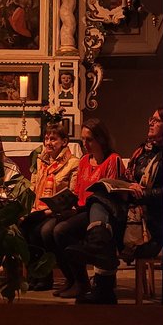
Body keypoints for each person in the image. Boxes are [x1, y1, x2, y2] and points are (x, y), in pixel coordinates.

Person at [66, 108, 163, 304]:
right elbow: (129, 178)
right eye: (151, 119)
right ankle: (96, 280)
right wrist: (127, 185)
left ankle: (102, 281)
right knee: (69, 227)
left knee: (99, 202)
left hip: (149, 225)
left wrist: (142, 193)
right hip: (130, 213)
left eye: (156, 120)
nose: (150, 123)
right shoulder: (143, 151)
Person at [51, 119, 124, 299]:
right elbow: (78, 191)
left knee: (62, 231)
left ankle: (82, 282)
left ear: (101, 139)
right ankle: (72, 279)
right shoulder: (84, 160)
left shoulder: (112, 160)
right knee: (49, 229)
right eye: (83, 139)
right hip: (82, 209)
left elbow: (112, 192)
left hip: (102, 212)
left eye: (89, 140)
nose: (85, 144)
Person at [21, 123, 79, 291]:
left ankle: (48, 276)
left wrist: (50, 210)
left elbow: (72, 193)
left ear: (64, 142)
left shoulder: (73, 163)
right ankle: (35, 276)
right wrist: (31, 208)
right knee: (24, 226)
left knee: (44, 231)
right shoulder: (40, 161)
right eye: (46, 138)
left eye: (53, 139)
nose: (48, 143)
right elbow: (33, 187)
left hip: (60, 211)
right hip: (40, 210)